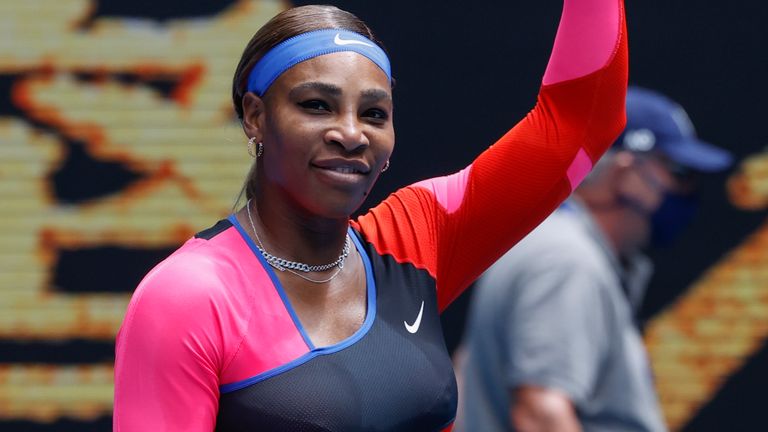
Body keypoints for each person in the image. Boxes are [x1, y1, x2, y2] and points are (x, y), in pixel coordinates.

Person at [113, 1, 628, 430]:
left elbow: (580, 120)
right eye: (317, 105)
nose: (352, 133)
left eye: (374, 114)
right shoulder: (187, 297)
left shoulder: (415, 239)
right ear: (255, 116)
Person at [456, 86, 733, 432]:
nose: (688, 191)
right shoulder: (566, 259)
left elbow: (466, 372)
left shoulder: (558, 246)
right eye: (678, 173)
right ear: (626, 172)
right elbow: (541, 412)